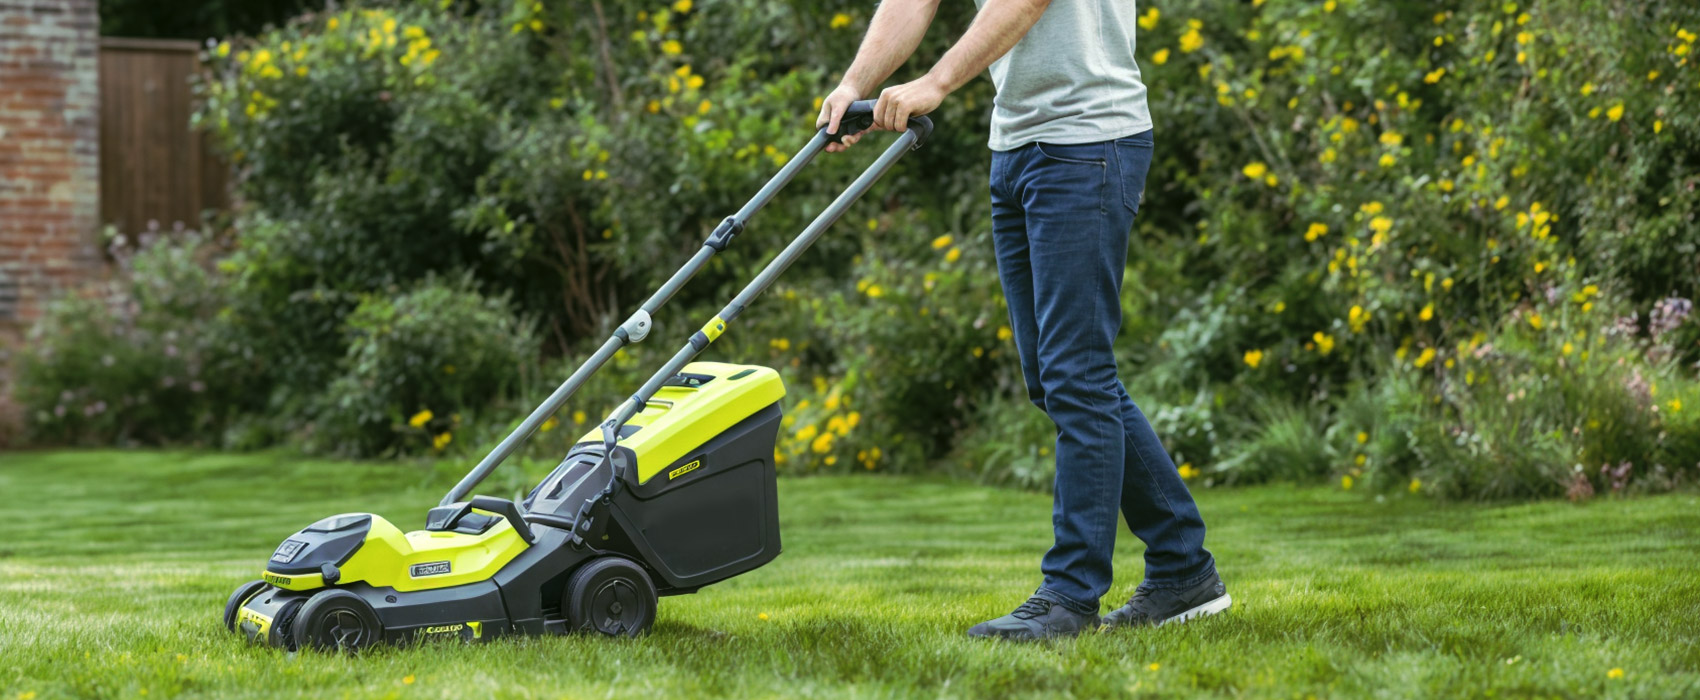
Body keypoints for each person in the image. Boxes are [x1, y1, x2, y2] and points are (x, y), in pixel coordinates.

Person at [817, 0, 1229, 641]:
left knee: (1077, 375)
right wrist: (854, 85)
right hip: (1015, 146)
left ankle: (1071, 596)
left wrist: (936, 81)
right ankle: (1183, 570)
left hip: (1087, 141)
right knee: (1056, 377)